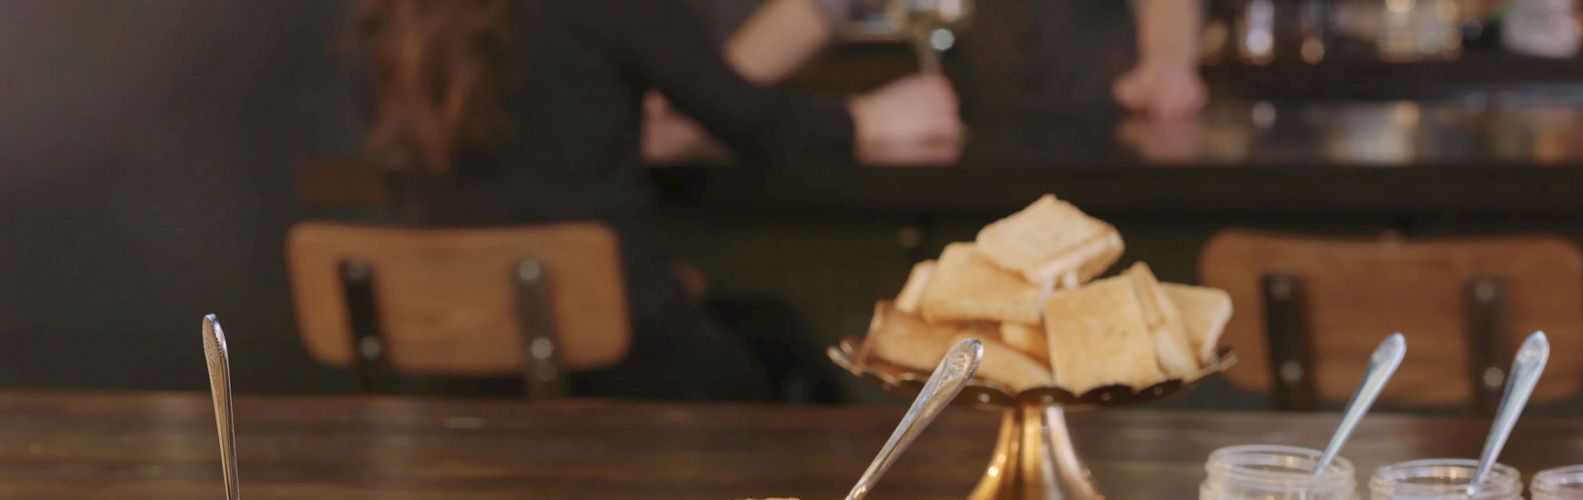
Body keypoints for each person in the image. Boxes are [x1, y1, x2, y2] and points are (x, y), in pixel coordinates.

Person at [351, 0, 960, 400]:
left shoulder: (401, 18)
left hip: (447, 363)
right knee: (790, 354)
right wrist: (866, 117)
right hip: (615, 351)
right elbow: (750, 119)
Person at [643, 0, 1206, 162]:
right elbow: (818, 7)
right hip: (977, 140)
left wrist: (1166, 64)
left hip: (1104, 141)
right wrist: (704, 90)